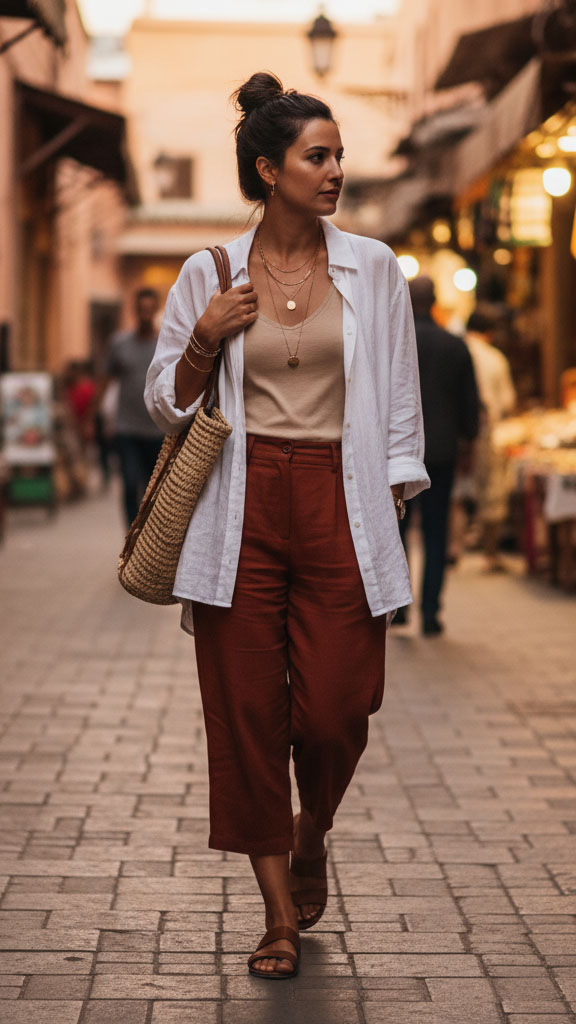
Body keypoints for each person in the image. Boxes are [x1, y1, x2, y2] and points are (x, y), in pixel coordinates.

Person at [144, 72, 429, 980]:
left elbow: (400, 401)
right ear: (269, 170)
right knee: (247, 713)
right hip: (242, 498)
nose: (337, 169)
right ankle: (277, 918)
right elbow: (162, 400)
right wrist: (203, 339)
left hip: (342, 498)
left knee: (343, 706)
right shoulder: (211, 273)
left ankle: (314, 835)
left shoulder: (374, 267)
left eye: (339, 153)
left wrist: (391, 500)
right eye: (319, 156)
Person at [395, 275, 479, 634]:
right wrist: (469, 442)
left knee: (396, 527)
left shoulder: (392, 342)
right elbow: (469, 404)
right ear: (434, 301)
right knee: (435, 529)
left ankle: (398, 608)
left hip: (398, 450)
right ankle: (430, 612)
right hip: (441, 450)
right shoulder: (453, 345)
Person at [100, 288, 164, 527]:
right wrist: (92, 419)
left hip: (158, 429)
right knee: (128, 483)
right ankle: (130, 534)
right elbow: (105, 381)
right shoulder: (120, 343)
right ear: (135, 310)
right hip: (126, 428)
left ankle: (147, 537)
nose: (145, 314)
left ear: (155, 309)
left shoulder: (165, 343)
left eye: (150, 309)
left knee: (152, 490)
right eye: (141, 309)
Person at [465, 307, 516, 571]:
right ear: (490, 332)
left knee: (458, 492)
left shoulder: (457, 351)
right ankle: (490, 553)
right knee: (492, 491)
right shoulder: (494, 358)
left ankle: (453, 549)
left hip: (458, 434)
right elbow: (507, 401)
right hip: (488, 432)